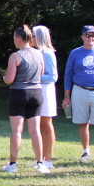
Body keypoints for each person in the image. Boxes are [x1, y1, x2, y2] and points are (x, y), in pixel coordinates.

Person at [3, 25, 47, 174]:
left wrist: (3, 78)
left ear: (19, 38)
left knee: (17, 130)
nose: (14, 41)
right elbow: (41, 73)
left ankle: (12, 164)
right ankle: (40, 163)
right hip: (36, 93)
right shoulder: (39, 54)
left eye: (14, 38)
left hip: (19, 94)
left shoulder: (15, 56)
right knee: (35, 130)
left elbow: (9, 79)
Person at [62, 25, 94, 161]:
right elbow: (68, 75)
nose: (90, 38)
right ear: (82, 37)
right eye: (87, 35)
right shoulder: (75, 53)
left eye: (93, 35)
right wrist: (67, 96)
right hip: (80, 90)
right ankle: (86, 152)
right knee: (83, 123)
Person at [32, 25, 58, 170]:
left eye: (33, 36)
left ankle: (48, 159)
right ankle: (41, 158)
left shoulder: (47, 53)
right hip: (39, 90)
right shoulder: (38, 52)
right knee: (40, 125)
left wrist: (35, 77)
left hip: (46, 91)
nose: (31, 38)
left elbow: (53, 76)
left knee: (47, 124)